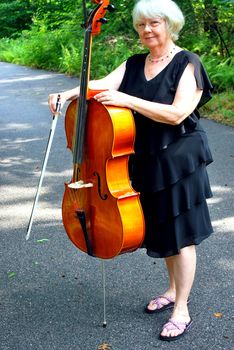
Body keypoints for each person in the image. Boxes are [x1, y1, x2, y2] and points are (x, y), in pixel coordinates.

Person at [48, 0, 214, 342]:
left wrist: (129, 101)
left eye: (154, 23)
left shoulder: (188, 63)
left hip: (178, 158)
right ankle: (170, 290)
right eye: (141, 25)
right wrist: (66, 93)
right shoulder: (136, 63)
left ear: (170, 24)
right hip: (144, 157)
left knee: (181, 234)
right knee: (162, 230)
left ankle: (181, 308)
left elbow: (177, 114)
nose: (147, 30)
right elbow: (100, 85)